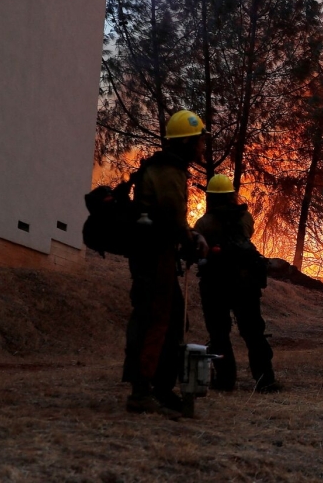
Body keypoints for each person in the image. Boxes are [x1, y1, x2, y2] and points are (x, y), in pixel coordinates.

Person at [123, 110, 209, 418]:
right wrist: (191, 240)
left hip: (154, 254)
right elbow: (173, 217)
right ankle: (142, 392)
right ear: (187, 142)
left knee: (172, 320)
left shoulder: (165, 168)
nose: (203, 147)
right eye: (200, 141)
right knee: (157, 320)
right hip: (155, 256)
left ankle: (160, 388)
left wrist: (190, 238)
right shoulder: (169, 172)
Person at [194, 174, 281, 393]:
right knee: (254, 333)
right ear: (232, 196)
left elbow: (198, 248)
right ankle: (265, 380)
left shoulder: (204, 223)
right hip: (245, 283)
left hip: (215, 285)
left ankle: (225, 381)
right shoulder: (245, 217)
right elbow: (248, 234)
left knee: (219, 334)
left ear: (210, 198)